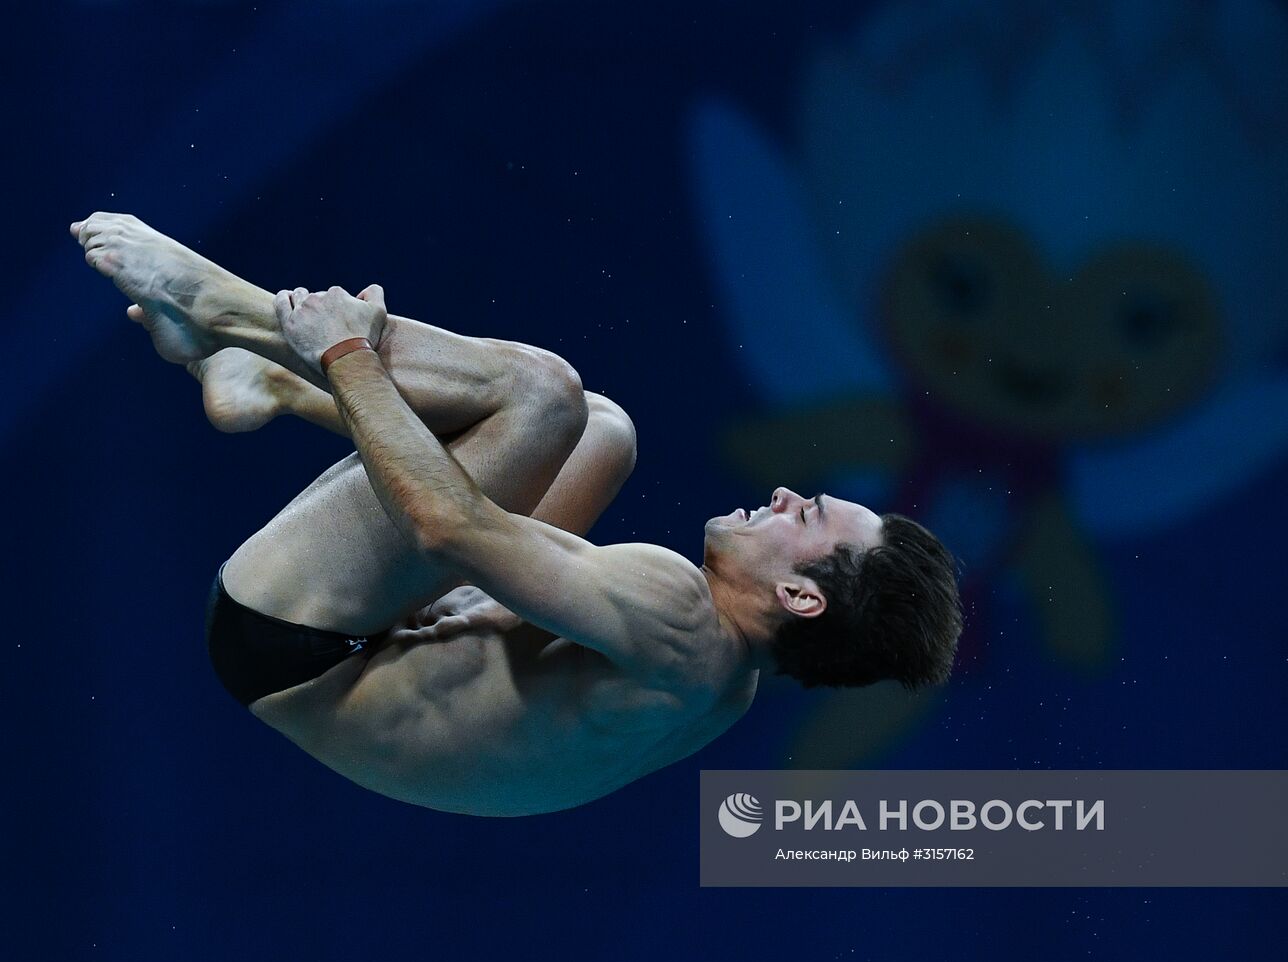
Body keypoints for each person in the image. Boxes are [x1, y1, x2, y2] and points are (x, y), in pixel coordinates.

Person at [70, 211, 963, 816]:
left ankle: (227, 308)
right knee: (601, 432)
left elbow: (446, 526)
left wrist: (346, 353)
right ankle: (265, 378)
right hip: (365, 652)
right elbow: (489, 597)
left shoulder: (679, 612)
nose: (785, 496)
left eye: (806, 516)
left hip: (294, 641)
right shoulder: (726, 689)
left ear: (803, 597)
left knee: (542, 395)